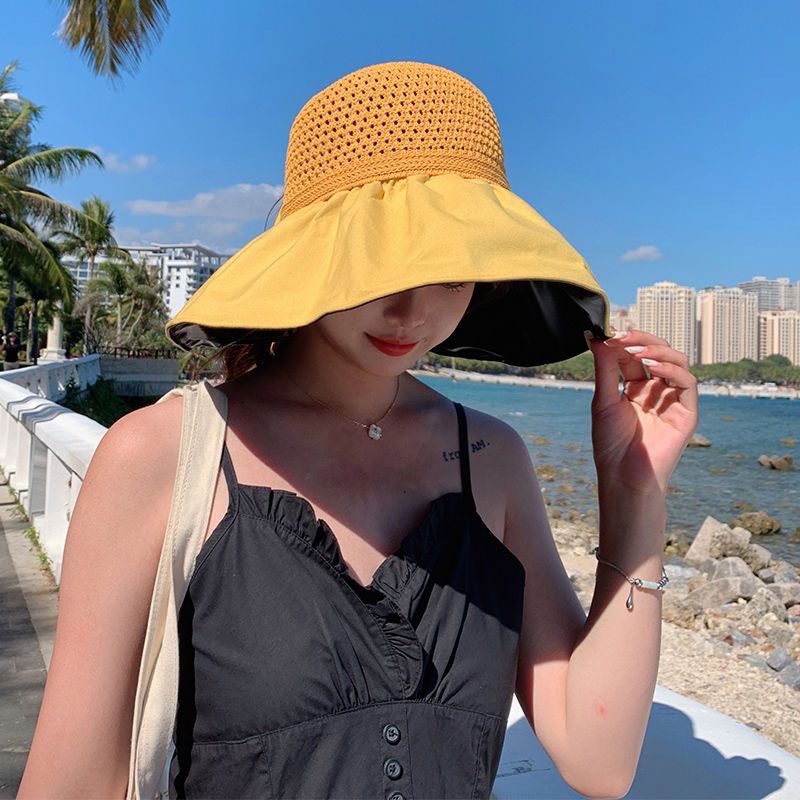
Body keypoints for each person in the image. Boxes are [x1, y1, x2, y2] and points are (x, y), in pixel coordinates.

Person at [19, 62, 698, 799]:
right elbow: (71, 782)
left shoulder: (491, 458)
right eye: (381, 266)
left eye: (451, 270)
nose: (412, 311)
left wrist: (634, 494)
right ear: (315, 255)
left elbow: (597, 760)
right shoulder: (164, 455)